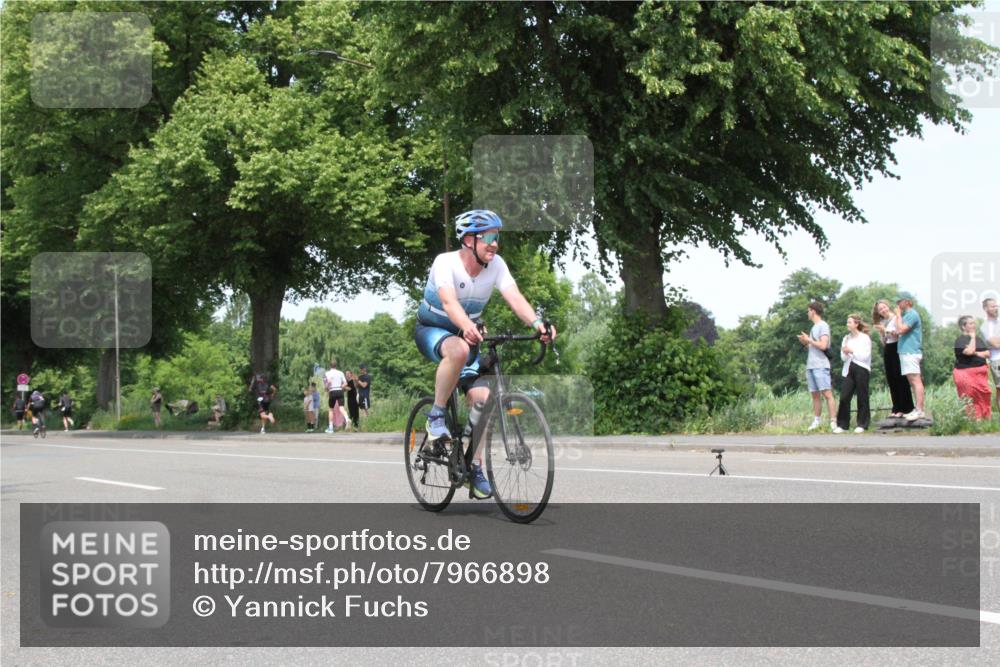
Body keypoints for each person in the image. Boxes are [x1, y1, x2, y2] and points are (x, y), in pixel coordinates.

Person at [414, 209, 555, 499]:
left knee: (485, 400)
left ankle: (474, 466)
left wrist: (538, 324)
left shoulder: (496, 265)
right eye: (489, 237)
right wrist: (466, 326)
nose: (494, 244)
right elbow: (448, 302)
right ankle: (436, 415)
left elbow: (514, 296)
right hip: (433, 329)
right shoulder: (445, 263)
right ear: (469, 240)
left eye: (497, 237)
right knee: (458, 349)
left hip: (469, 334)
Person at [797, 301, 837, 432]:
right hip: (811, 365)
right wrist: (805, 342)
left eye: (808, 311)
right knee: (814, 394)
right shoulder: (813, 327)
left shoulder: (823, 325)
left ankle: (833, 421)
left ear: (813, 311)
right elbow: (813, 347)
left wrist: (809, 340)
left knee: (827, 393)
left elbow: (823, 345)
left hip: (821, 365)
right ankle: (817, 420)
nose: (807, 313)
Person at [871, 299, 914, 418]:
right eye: (880, 309)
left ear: (888, 306)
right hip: (888, 349)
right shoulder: (882, 322)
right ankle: (896, 407)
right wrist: (882, 334)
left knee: (900, 377)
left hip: (897, 347)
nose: (883, 310)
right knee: (891, 379)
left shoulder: (895, 318)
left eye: (884, 307)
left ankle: (906, 408)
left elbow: (897, 334)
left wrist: (885, 330)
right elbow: (884, 340)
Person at [834, 314, 872, 433]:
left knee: (862, 396)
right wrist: (846, 352)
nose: (847, 324)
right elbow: (843, 357)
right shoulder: (846, 338)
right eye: (847, 322)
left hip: (862, 368)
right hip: (848, 369)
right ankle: (842, 424)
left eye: (849, 322)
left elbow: (865, 356)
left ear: (856, 324)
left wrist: (852, 351)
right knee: (844, 397)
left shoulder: (865, 338)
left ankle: (862, 424)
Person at [953, 315, 992, 420]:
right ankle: (972, 420)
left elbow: (988, 353)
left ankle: (985, 419)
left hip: (981, 374)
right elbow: (969, 351)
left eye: (974, 323)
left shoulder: (979, 340)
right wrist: (973, 338)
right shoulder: (960, 340)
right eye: (971, 323)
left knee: (985, 395)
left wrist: (975, 352)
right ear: (963, 326)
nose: (974, 325)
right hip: (965, 373)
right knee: (969, 396)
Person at [894, 292, 925, 421]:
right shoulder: (906, 315)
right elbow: (898, 330)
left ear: (907, 301)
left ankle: (919, 410)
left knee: (915, 380)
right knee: (912, 381)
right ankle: (917, 408)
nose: (897, 304)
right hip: (905, 351)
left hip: (911, 351)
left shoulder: (912, 314)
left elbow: (901, 330)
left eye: (899, 301)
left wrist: (897, 316)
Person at [981, 297, 1000, 415]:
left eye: (996, 305)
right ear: (985, 308)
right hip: (997, 360)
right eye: (992, 306)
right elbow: (995, 344)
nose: (996, 308)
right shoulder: (985, 326)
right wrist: (996, 341)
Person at [323, 359, 347, 433]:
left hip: (332, 391)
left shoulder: (326, 374)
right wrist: (341, 387)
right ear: (336, 365)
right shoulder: (341, 373)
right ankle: (347, 418)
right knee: (341, 407)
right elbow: (345, 383)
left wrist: (328, 383)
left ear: (330, 365)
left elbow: (326, 387)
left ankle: (330, 428)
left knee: (331, 409)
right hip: (340, 391)